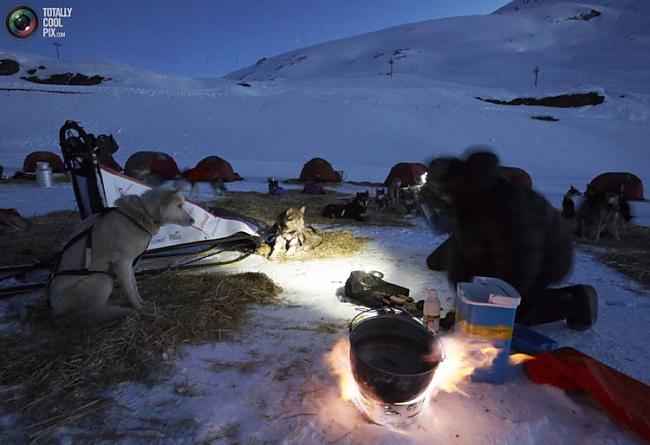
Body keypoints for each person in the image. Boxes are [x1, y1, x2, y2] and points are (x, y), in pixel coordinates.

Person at [420, 149, 597, 330]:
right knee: (466, 271)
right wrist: (464, 310)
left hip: (547, 258)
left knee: (512, 312)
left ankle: (576, 300)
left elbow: (521, 264)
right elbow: (460, 261)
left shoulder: (506, 204)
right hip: (503, 250)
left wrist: (491, 309)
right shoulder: (466, 200)